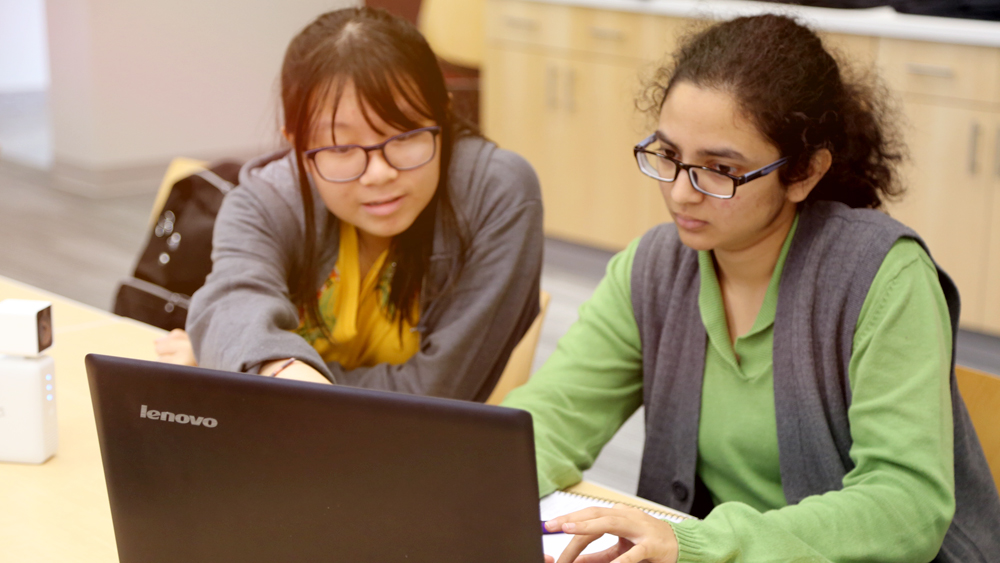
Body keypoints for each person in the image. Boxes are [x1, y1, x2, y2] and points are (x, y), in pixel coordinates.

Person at [502, 14, 1000, 563]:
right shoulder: (655, 268)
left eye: (719, 169)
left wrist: (700, 542)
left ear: (805, 173)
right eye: (668, 156)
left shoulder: (882, 276)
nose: (682, 194)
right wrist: (472, 477)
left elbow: (905, 506)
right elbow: (551, 417)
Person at [157, 7, 543, 400]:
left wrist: (255, 367)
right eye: (341, 146)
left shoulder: (494, 192)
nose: (378, 173)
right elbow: (232, 303)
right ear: (295, 142)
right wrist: (254, 360)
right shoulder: (267, 200)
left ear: (443, 112)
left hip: (417, 451)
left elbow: (438, 394)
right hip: (286, 440)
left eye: (405, 135)